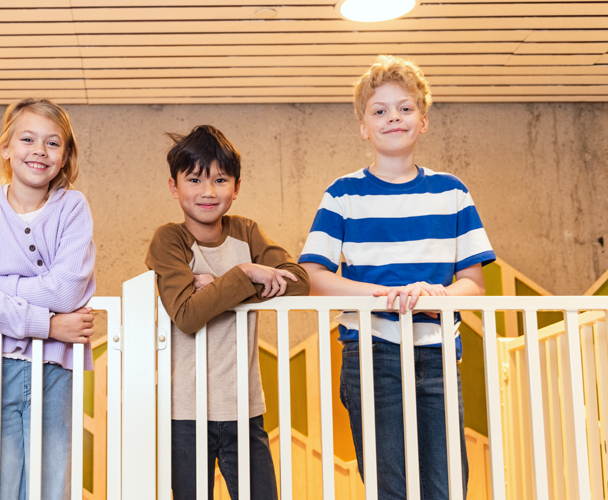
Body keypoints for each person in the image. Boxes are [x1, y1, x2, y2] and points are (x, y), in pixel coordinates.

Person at [299, 55, 495, 499]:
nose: (394, 118)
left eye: (405, 109)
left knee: (446, 486)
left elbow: (473, 284)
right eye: (380, 111)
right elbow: (315, 276)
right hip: (372, 352)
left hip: (439, 352)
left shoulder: (452, 192)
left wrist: (436, 294)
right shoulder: (343, 194)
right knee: (391, 486)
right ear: (364, 127)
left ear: (423, 121)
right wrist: (390, 296)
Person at [145, 125, 310, 500]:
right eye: (194, 179)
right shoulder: (169, 239)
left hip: (244, 407)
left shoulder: (246, 232)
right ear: (174, 186)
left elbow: (298, 281)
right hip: (185, 411)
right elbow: (186, 315)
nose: (208, 191)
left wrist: (220, 286)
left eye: (220, 180)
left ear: (236, 187)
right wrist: (245, 273)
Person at [0, 98, 96, 500]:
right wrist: (48, 324)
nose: (39, 151)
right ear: (6, 148)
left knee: (51, 484)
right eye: (27, 139)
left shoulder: (73, 207)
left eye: (53, 143)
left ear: (65, 158)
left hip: (55, 366)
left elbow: (66, 290)